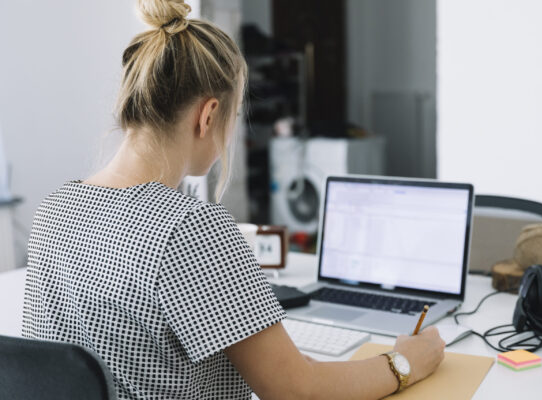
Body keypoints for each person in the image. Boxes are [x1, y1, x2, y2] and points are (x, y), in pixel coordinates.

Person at [22, 1, 445, 399]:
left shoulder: (55, 208)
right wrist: (407, 361)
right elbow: (296, 391)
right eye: (234, 114)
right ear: (207, 116)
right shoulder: (190, 227)